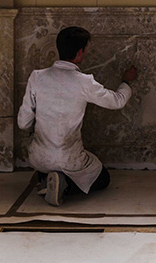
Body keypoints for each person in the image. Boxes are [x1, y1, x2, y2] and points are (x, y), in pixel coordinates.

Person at [17, 25, 137, 206]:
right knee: (103, 179)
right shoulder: (84, 82)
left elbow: (23, 123)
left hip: (39, 158)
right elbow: (117, 101)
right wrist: (126, 81)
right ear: (80, 52)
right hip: (70, 158)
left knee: (48, 164)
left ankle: (49, 180)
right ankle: (65, 187)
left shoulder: (36, 77)